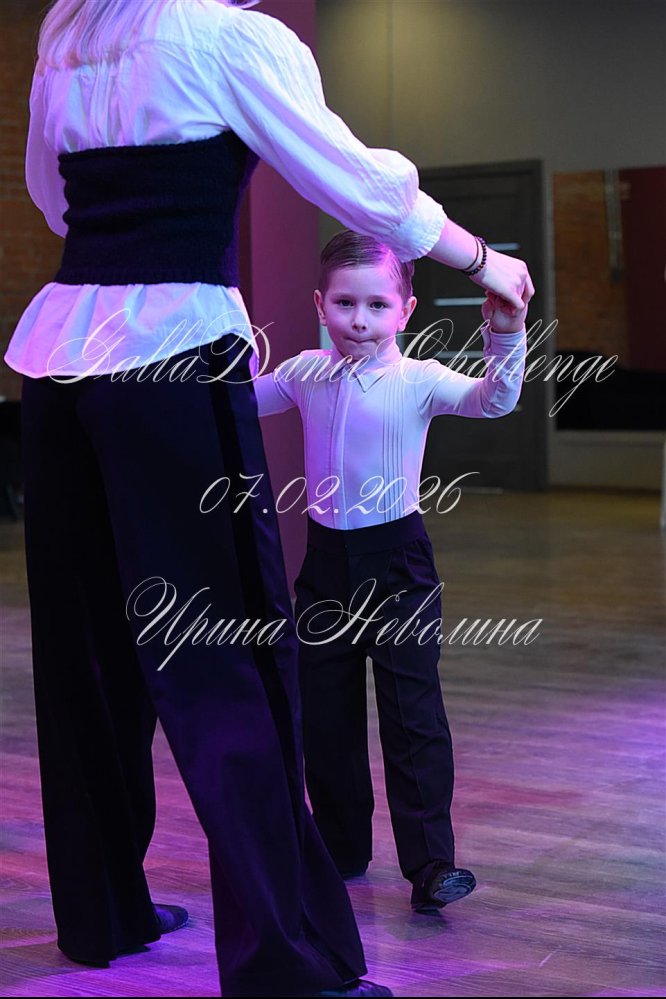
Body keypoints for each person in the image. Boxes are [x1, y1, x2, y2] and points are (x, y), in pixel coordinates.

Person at [5, 0, 533, 995]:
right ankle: (288, 968)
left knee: (89, 652)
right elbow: (364, 188)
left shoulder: (67, 29)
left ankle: (103, 909)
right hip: (170, 350)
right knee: (231, 659)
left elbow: (52, 199)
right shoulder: (231, 37)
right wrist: (484, 259)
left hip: (58, 358)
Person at [253, 229, 528, 912]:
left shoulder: (420, 380)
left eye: (377, 305)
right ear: (320, 305)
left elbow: (495, 399)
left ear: (405, 311)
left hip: (399, 564)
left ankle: (431, 864)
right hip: (325, 564)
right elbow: (237, 401)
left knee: (412, 714)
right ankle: (341, 847)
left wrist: (506, 334)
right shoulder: (304, 372)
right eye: (345, 303)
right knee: (326, 713)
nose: (360, 319)